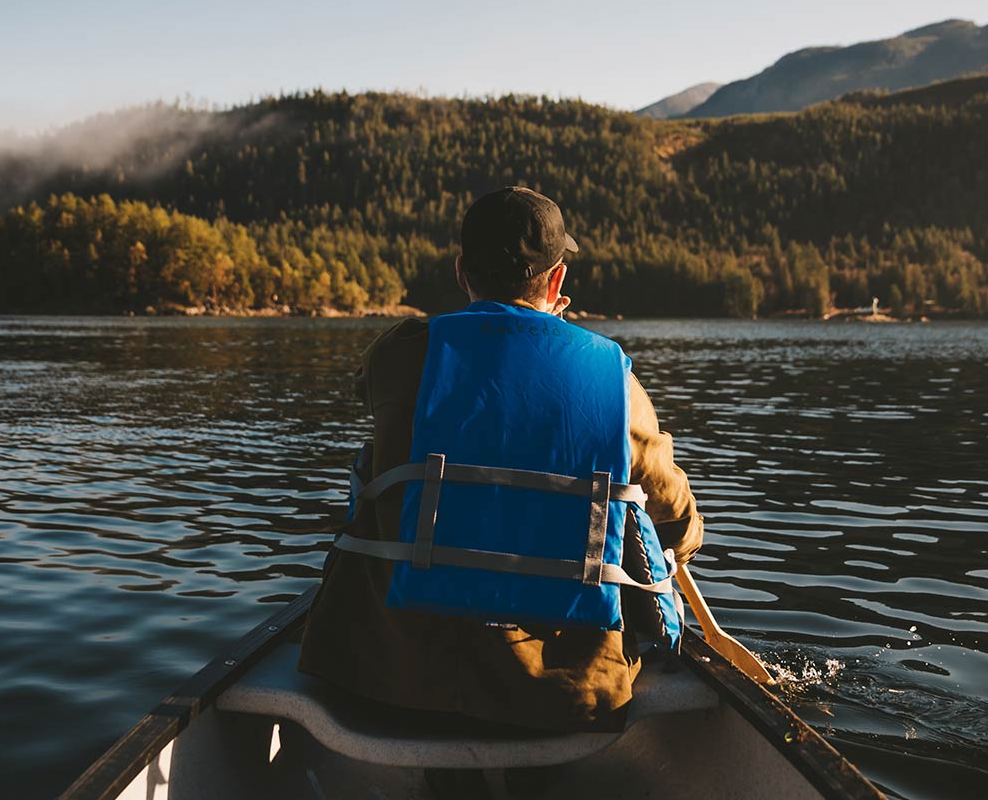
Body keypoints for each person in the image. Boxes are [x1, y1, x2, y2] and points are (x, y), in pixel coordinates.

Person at [296, 186, 704, 790]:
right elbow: (674, 513)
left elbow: (375, 390)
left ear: (461, 271)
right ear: (558, 277)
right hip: (564, 691)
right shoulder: (612, 378)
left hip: (391, 678)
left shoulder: (401, 354)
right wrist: (684, 541)